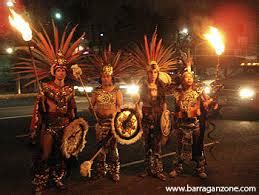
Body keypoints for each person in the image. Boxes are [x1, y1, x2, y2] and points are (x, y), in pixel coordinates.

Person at [13, 23, 86, 194]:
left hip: (65, 126)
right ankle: (40, 181)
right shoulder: (45, 88)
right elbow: (38, 111)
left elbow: (72, 110)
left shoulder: (69, 90)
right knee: (45, 155)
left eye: (63, 70)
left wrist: (75, 127)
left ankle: (57, 179)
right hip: (50, 125)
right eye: (58, 69)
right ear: (54, 71)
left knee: (60, 156)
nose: (61, 72)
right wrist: (35, 128)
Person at [131, 30, 177, 181]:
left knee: (157, 145)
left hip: (158, 117)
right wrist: (137, 108)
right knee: (147, 145)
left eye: (155, 73)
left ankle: (158, 170)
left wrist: (165, 117)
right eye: (150, 73)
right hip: (146, 117)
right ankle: (147, 169)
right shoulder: (142, 86)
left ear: (158, 73)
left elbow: (164, 104)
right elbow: (137, 102)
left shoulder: (161, 87)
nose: (152, 75)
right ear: (147, 73)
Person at [85, 45, 130, 182]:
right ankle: (100, 170)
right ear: (101, 78)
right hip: (100, 123)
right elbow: (90, 106)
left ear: (111, 78)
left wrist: (117, 121)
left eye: (108, 76)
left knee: (112, 148)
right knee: (100, 148)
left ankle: (114, 171)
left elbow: (120, 108)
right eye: (103, 76)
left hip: (112, 123)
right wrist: (92, 110)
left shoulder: (117, 92)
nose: (105, 78)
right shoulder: (96, 92)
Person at [169, 70, 214, 179]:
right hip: (181, 124)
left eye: (191, 77)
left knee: (197, 146)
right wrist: (174, 121)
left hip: (195, 124)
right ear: (182, 80)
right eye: (186, 77)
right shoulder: (177, 94)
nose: (189, 79)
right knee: (179, 147)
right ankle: (177, 168)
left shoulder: (198, 93)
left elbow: (207, 104)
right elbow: (175, 109)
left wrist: (209, 103)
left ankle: (200, 168)